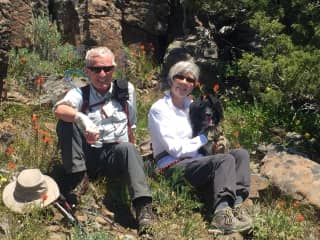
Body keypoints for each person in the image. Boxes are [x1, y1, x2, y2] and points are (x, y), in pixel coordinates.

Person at [54, 46, 154, 233]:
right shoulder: (80, 94)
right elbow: (60, 110)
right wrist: (81, 118)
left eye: (107, 69)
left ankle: (143, 208)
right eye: (96, 69)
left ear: (113, 69)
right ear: (87, 71)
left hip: (115, 156)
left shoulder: (126, 90)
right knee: (66, 123)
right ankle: (77, 178)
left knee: (128, 149)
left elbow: (131, 121)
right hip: (89, 154)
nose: (102, 74)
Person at [148, 60, 252, 234]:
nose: (184, 82)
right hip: (173, 165)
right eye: (179, 77)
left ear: (194, 84)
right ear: (171, 79)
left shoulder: (193, 106)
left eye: (190, 80)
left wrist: (216, 144)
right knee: (224, 160)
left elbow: (204, 139)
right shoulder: (160, 109)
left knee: (240, 154)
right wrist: (205, 138)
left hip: (198, 162)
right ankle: (221, 215)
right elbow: (175, 149)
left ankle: (238, 205)